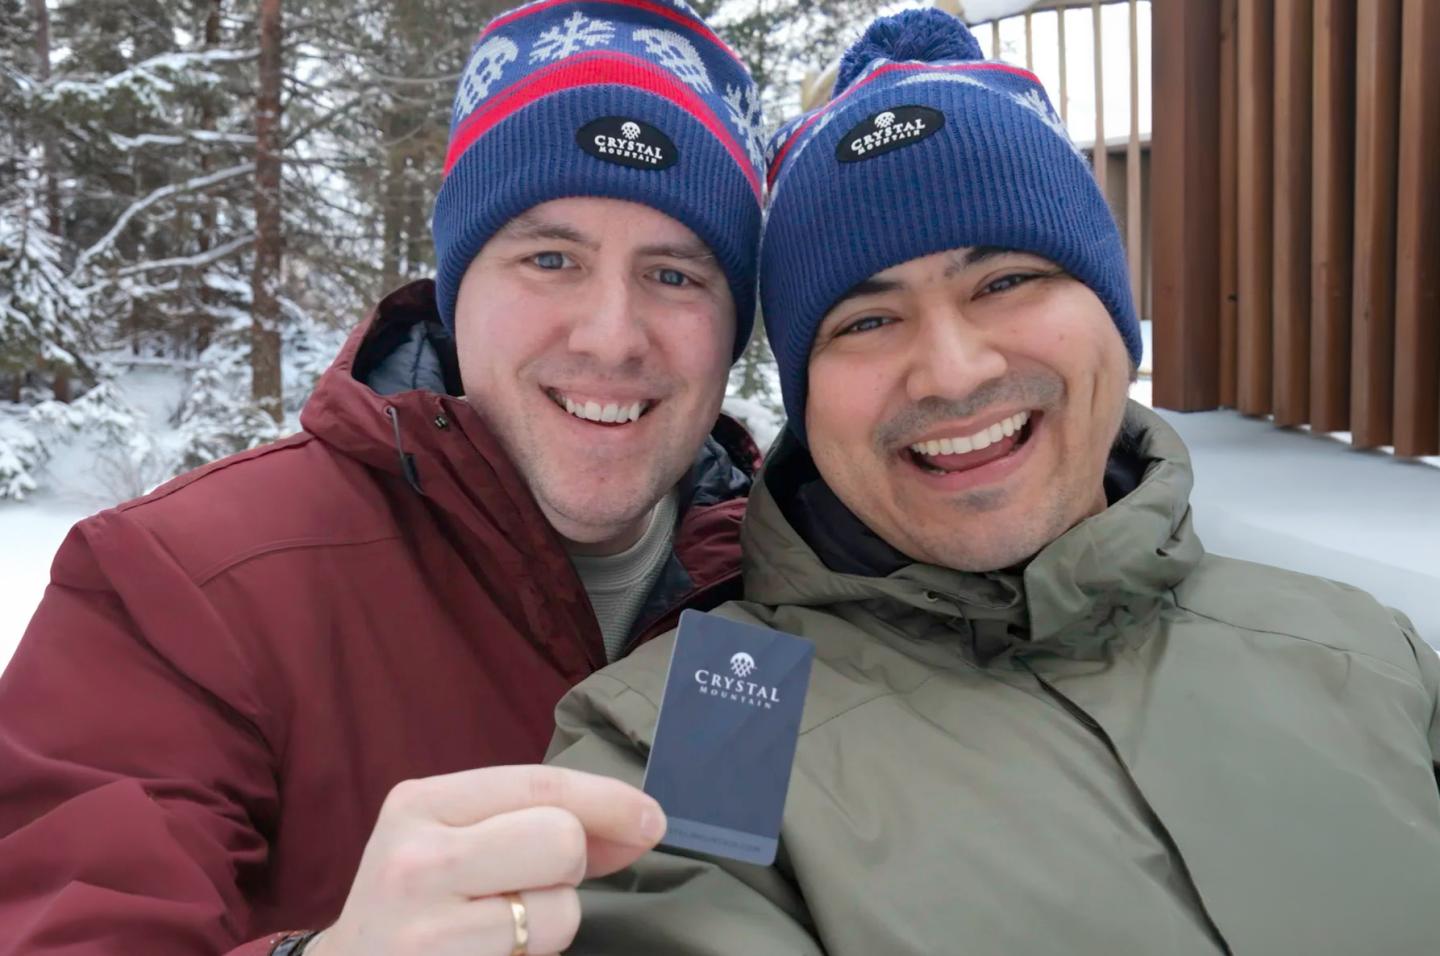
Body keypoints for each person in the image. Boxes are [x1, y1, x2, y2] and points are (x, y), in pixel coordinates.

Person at [547, 9, 1440, 954]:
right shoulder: (722, 711)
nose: (953, 372)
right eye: (866, 321)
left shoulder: (1364, 651)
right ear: (808, 402)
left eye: (1006, 281)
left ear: (1113, 315)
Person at [0, 0, 768, 952]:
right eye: (549, 258)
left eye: (675, 276)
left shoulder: (782, 601)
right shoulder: (181, 586)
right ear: (455, 289)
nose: (610, 334)